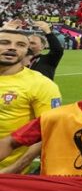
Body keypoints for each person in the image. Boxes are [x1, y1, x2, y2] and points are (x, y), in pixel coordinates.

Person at [0, 29, 62, 173]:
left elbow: (48, 130)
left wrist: (16, 167)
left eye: (20, 45)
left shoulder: (41, 84)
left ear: (27, 50)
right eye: (5, 43)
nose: (12, 48)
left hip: (6, 173)